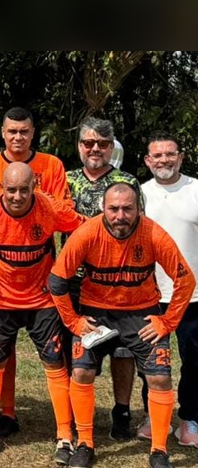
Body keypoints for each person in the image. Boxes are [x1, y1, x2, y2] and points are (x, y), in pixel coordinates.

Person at [49, 182, 195, 468]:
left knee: (160, 377)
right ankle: (85, 442)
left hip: (141, 314)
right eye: (113, 208)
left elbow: (185, 280)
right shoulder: (87, 232)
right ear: (103, 208)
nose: (120, 216)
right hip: (96, 313)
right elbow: (57, 280)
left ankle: (159, 450)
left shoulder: (153, 233)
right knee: (81, 371)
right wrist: (74, 322)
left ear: (138, 209)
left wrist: (167, 322)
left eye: (127, 209)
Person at [0, 163, 85, 461]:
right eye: (11, 190)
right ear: (1, 188)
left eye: (24, 190)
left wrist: (66, 268)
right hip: (0, 302)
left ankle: (64, 436)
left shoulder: (50, 207)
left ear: (35, 188)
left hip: (43, 302)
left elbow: (86, 229)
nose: (17, 196)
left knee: (54, 363)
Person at [0, 107, 71, 437]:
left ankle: (67, 432)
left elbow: (64, 214)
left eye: (24, 131)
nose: (18, 137)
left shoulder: (51, 165)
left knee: (53, 358)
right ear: (2, 132)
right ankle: (4, 414)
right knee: (0, 353)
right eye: (12, 131)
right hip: (1, 286)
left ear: (33, 133)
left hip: (40, 285)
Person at [66, 117, 142, 442]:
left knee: (122, 351)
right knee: (79, 352)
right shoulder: (66, 181)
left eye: (102, 143)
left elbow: (139, 229)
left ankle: (121, 410)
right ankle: (76, 413)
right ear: (79, 146)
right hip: (76, 283)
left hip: (117, 282)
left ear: (112, 147)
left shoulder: (127, 182)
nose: (95, 148)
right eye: (88, 143)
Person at [141, 132, 198, 447]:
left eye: (170, 154)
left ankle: (190, 420)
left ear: (180, 157)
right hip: (151, 294)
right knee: (152, 361)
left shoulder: (195, 190)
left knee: (195, 361)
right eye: (158, 155)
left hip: (193, 295)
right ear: (148, 161)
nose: (164, 160)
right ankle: (153, 416)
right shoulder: (140, 194)